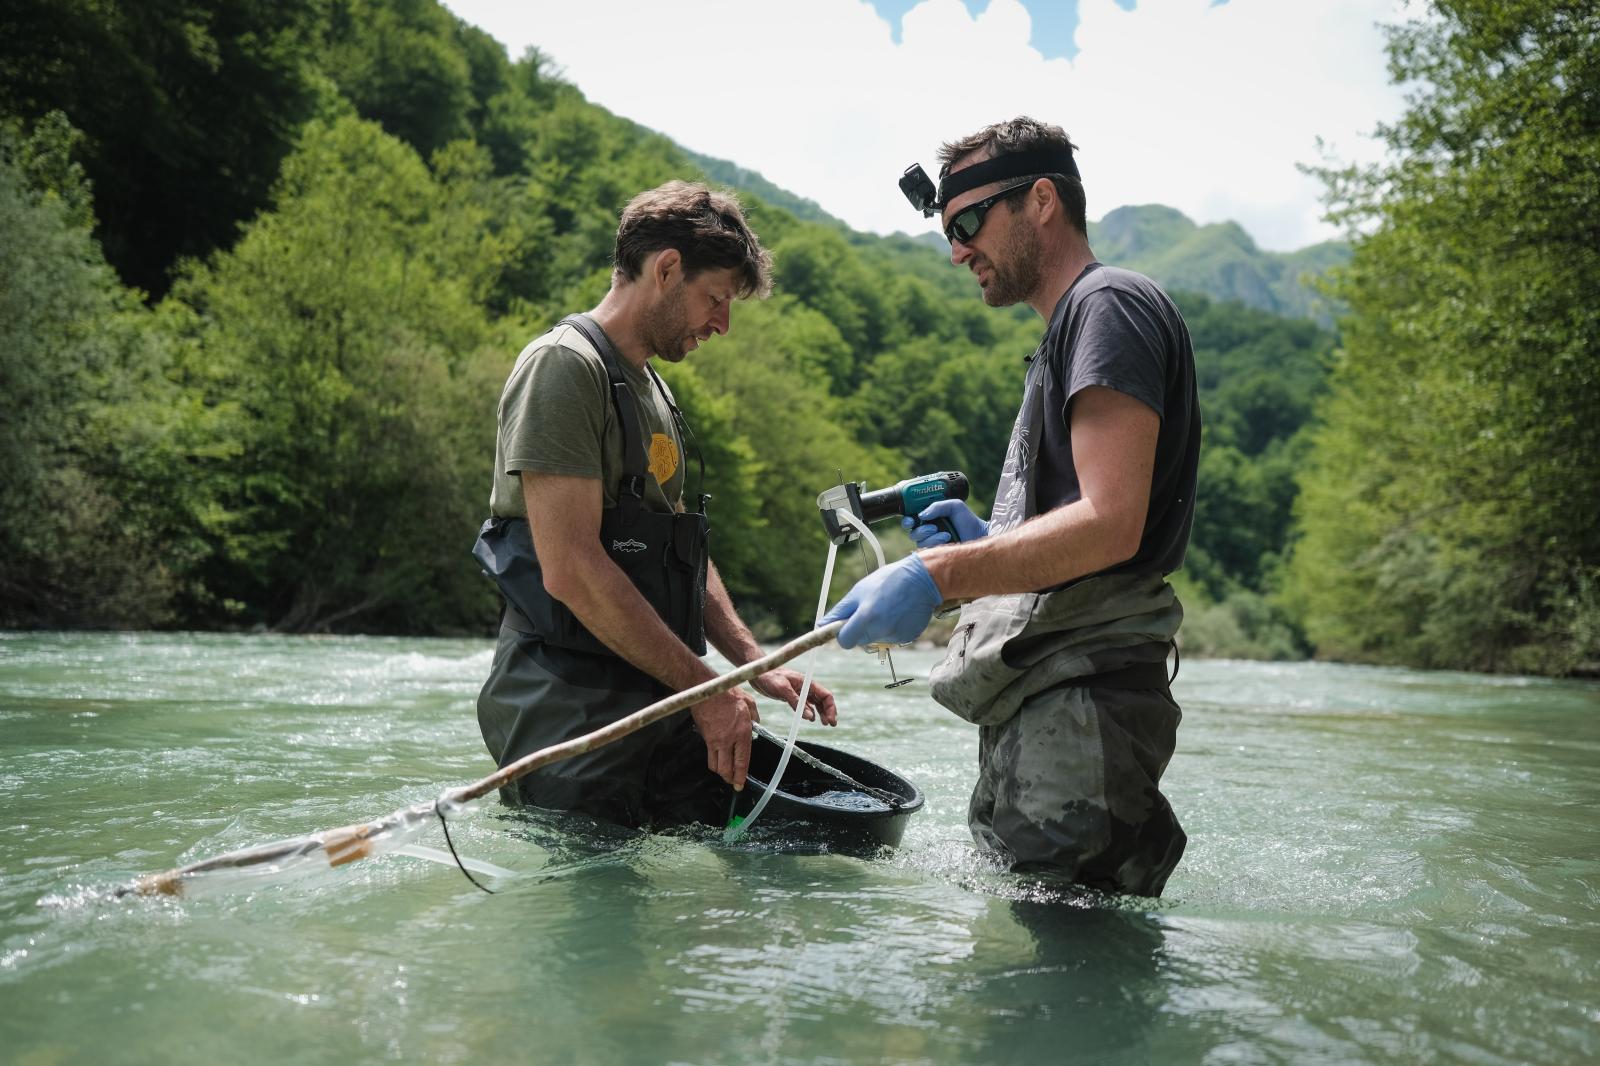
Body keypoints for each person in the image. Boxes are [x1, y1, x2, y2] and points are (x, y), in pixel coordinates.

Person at [823, 118, 1200, 896]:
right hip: (1047, 701)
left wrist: (937, 572)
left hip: (1083, 705)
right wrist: (995, 551)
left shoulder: (1109, 306)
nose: (957, 249)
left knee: (1066, 977)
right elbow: (1082, 530)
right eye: (945, 230)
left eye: (967, 222)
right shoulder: (1070, 330)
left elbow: (1111, 522)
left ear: (1040, 201)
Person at [475, 180, 836, 829]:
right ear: (666, 268)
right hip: (571, 721)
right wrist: (707, 690)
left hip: (659, 710)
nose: (722, 324)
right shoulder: (563, 369)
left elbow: (679, 552)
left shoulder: (653, 391)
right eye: (715, 300)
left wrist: (754, 666)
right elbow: (571, 567)